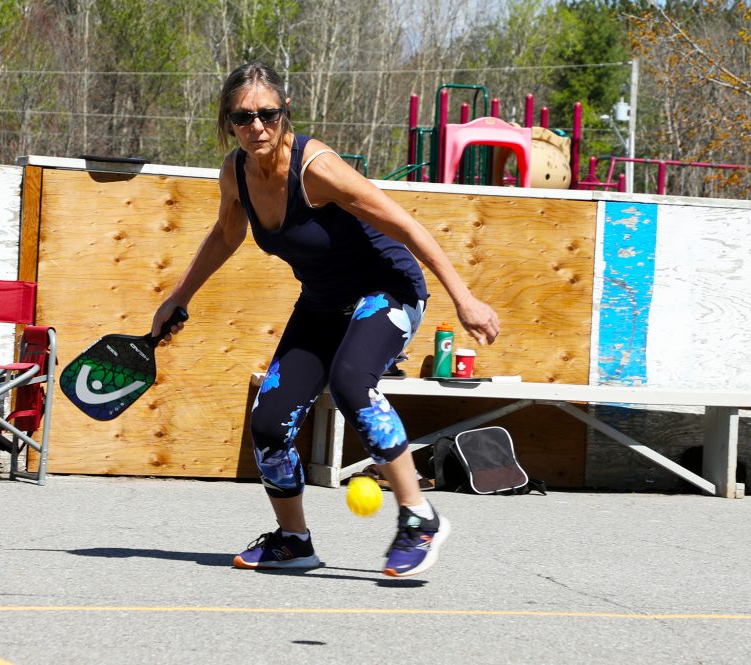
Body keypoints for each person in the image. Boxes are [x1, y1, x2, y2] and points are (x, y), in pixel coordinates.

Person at [151, 61, 500, 578]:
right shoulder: (236, 172)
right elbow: (226, 235)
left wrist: (463, 297)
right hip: (322, 300)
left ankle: (419, 517)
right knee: (270, 420)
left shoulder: (316, 168)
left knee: (350, 382)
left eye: (267, 114)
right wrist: (178, 298)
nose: (257, 127)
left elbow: (405, 225)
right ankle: (294, 541)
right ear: (228, 123)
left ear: (285, 112)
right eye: (243, 118)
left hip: (388, 290)